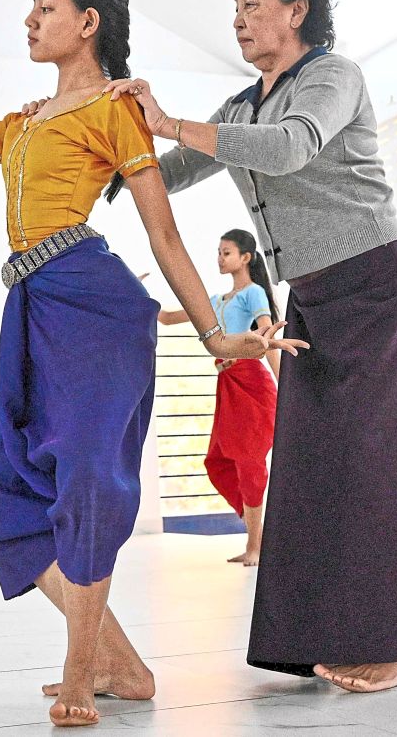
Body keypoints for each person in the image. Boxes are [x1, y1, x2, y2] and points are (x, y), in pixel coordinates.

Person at [0, 0, 303, 727]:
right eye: (31, 7)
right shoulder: (18, 124)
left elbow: (164, 234)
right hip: (30, 307)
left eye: (45, 6)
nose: (30, 19)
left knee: (87, 483)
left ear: (88, 22)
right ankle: (121, 664)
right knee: (1, 498)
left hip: (94, 306)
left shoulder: (115, 110)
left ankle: (81, 673)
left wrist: (216, 336)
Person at [101, 0, 397, 692]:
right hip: (311, 297)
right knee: (308, 472)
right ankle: (306, 642)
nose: (240, 19)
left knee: (373, 469)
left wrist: (171, 121)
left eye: (253, 3)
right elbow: (170, 171)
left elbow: (290, 148)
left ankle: (389, 647)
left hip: (375, 286)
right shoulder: (242, 105)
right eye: (236, 8)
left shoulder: (333, 77)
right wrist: (104, 145)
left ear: (297, 9)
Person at [157, 229, 278, 565]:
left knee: (250, 462)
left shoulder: (253, 293)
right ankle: (259, 535)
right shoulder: (215, 301)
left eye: (227, 253)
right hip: (227, 383)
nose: (220, 259)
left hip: (252, 382)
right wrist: (134, 294)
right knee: (218, 462)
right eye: (219, 252)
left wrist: (285, 385)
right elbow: (167, 318)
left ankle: (255, 546)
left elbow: (267, 337)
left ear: (245, 258)